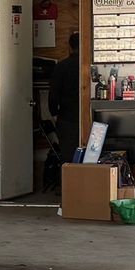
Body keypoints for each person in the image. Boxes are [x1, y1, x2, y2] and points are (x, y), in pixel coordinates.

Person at [50, 31, 85, 174]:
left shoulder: (61, 66)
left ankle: (68, 185)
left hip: (66, 117)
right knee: (89, 156)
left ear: (70, 47)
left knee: (67, 158)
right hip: (87, 117)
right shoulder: (87, 66)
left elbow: (53, 94)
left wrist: (54, 112)